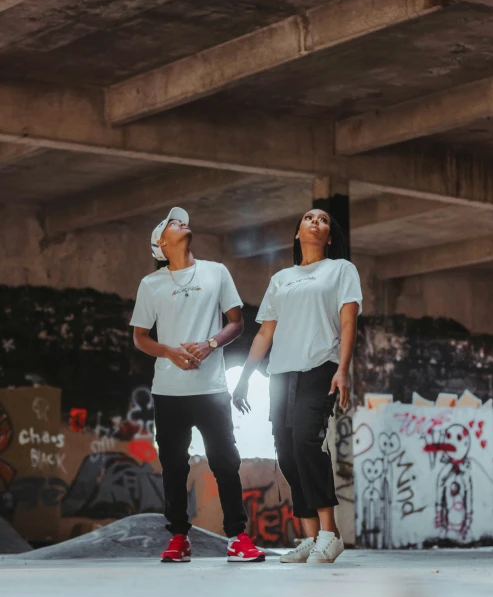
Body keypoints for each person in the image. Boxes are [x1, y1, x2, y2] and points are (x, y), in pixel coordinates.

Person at [130, 206, 265, 563]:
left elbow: (236, 322)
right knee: (173, 465)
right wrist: (168, 352)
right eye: (172, 223)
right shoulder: (151, 284)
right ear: (161, 243)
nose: (181, 223)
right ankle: (178, 537)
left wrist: (211, 344)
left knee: (225, 461)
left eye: (181, 220)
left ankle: (238, 537)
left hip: (212, 389)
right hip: (168, 391)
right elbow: (140, 337)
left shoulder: (216, 272)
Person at [233, 208, 362, 564]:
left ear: (330, 236)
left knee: (307, 441)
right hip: (281, 373)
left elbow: (348, 321)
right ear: (297, 233)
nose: (315, 221)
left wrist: (344, 369)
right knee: (288, 453)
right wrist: (244, 377)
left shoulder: (341, 270)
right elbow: (265, 332)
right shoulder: (281, 279)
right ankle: (309, 537)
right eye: (308, 218)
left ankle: (329, 533)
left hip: (321, 366)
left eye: (323, 219)